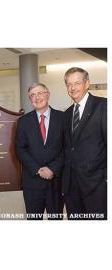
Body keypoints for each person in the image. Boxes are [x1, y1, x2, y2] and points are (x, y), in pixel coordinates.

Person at [63, 67, 107, 220]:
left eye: (77, 83)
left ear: (87, 83)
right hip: (71, 187)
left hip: (97, 185)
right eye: (68, 84)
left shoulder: (104, 106)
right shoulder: (67, 113)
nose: (72, 88)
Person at [16, 83, 64, 220]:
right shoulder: (23, 121)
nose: (36, 97)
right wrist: (38, 169)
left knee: (56, 219)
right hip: (32, 183)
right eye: (32, 95)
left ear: (47, 95)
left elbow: (67, 148)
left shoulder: (63, 118)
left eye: (40, 93)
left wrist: (52, 169)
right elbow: (20, 148)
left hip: (56, 182)